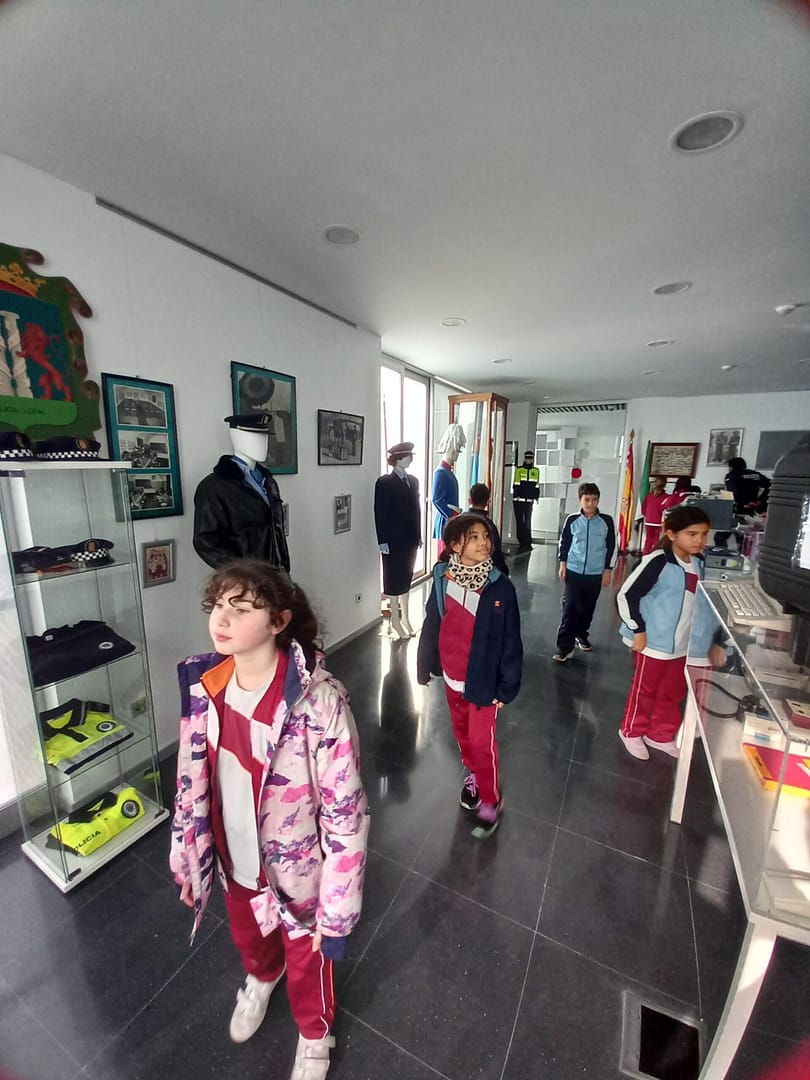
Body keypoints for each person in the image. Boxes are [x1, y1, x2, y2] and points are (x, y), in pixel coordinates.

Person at [170, 559, 369, 1080]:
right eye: (218, 605)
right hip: (233, 858)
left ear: (279, 621)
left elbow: (347, 816)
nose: (221, 619)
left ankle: (315, 1033)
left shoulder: (319, 702)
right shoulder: (205, 685)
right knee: (250, 939)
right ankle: (262, 975)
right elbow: (189, 781)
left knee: (310, 960)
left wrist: (337, 913)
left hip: (299, 874)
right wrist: (188, 856)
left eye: (241, 609)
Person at [416, 512, 523, 838]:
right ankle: (475, 774)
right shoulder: (442, 577)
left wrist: (506, 687)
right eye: (474, 537)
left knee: (481, 741)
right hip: (452, 676)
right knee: (462, 734)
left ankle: (491, 799)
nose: (484, 543)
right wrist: (424, 663)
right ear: (454, 545)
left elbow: (511, 640)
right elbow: (433, 622)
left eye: (486, 536)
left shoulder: (500, 587)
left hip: (483, 682)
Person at [615, 505, 726, 760]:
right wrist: (638, 629)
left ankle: (660, 734)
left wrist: (716, 640)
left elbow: (709, 605)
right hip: (653, 643)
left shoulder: (701, 564)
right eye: (692, 534)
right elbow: (627, 595)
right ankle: (631, 731)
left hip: (683, 645)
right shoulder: (659, 561)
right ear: (672, 534)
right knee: (644, 690)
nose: (699, 540)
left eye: (704, 534)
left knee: (672, 691)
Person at [193, 414, 290, 571]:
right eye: (254, 437)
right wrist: (243, 572)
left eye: (264, 437)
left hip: (278, 572)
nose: (263, 444)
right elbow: (205, 541)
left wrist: (283, 569)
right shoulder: (214, 487)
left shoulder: (268, 481)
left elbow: (275, 530)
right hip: (247, 578)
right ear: (236, 438)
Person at [553, 482, 615, 661]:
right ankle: (564, 647)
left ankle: (581, 634)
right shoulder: (572, 520)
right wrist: (563, 564)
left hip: (595, 573)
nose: (590, 503)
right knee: (570, 607)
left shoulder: (606, 521)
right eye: (587, 499)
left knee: (587, 608)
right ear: (580, 500)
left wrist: (608, 570)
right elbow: (564, 542)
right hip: (573, 570)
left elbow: (612, 546)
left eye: (594, 500)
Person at [374, 440, 422, 638]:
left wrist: (418, 535)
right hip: (393, 540)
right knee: (393, 579)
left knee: (406, 577)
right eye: (408, 456)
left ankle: (405, 618)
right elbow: (380, 512)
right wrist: (382, 540)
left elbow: (416, 510)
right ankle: (395, 620)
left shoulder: (413, 481)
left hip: (410, 539)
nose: (410, 459)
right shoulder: (385, 483)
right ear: (399, 459)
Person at [714, 457, 770, 548]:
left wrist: (744, 502)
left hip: (737, 509)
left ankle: (721, 553)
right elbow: (770, 485)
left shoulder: (731, 476)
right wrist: (761, 500)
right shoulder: (755, 474)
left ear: (731, 467)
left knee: (720, 537)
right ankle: (742, 554)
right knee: (743, 538)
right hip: (751, 510)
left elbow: (734, 492)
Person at [431, 423, 466, 555]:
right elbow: (437, 500)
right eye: (458, 449)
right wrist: (451, 514)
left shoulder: (447, 472)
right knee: (445, 557)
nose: (458, 453)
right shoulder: (440, 472)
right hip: (445, 521)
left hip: (451, 519)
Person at [468, 482, 509, 575]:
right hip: (484, 573)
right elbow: (497, 556)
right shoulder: (489, 526)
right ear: (488, 502)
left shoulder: (459, 522)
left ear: (469, 501)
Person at [511, 450, 540, 553]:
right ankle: (521, 541)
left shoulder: (536, 471)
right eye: (527, 457)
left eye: (530, 458)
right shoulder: (519, 470)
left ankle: (527, 541)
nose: (529, 460)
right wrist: (516, 496)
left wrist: (536, 497)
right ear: (524, 458)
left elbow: (537, 485)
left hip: (529, 501)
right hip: (519, 500)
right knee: (520, 521)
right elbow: (516, 484)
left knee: (527, 521)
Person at [640, 476, 668, 555]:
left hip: (648, 521)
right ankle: (654, 556)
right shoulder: (666, 497)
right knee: (656, 540)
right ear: (665, 484)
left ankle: (645, 555)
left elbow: (643, 508)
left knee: (648, 540)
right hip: (659, 522)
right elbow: (665, 509)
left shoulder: (649, 496)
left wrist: (648, 515)